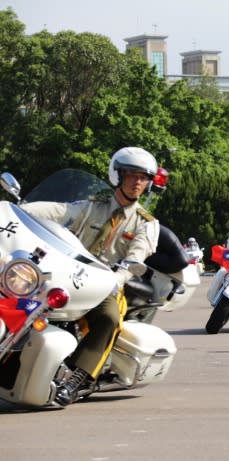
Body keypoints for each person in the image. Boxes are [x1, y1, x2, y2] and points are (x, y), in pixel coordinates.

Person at [21, 147, 160, 406]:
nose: (137, 182)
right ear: (117, 175)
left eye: (143, 177)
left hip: (105, 283)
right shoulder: (92, 207)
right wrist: (20, 208)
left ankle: (76, 379)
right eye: (131, 175)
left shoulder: (146, 223)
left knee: (109, 319)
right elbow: (59, 211)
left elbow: (136, 257)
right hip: (68, 272)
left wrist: (117, 279)